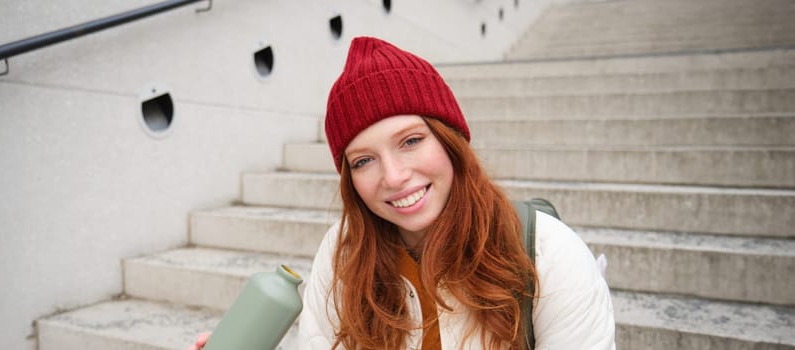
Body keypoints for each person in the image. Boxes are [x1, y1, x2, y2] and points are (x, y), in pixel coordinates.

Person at [194, 36, 615, 350]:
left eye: (411, 141)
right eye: (363, 161)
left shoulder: (548, 253)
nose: (393, 177)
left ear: (450, 141)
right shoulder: (343, 254)